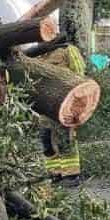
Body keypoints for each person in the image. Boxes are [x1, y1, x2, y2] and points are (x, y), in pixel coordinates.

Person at [36, 41, 88, 187]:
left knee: (65, 138)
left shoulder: (67, 50)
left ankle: (71, 175)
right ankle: (54, 173)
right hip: (44, 106)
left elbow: (79, 75)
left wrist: (77, 103)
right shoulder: (37, 53)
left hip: (64, 104)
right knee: (46, 140)